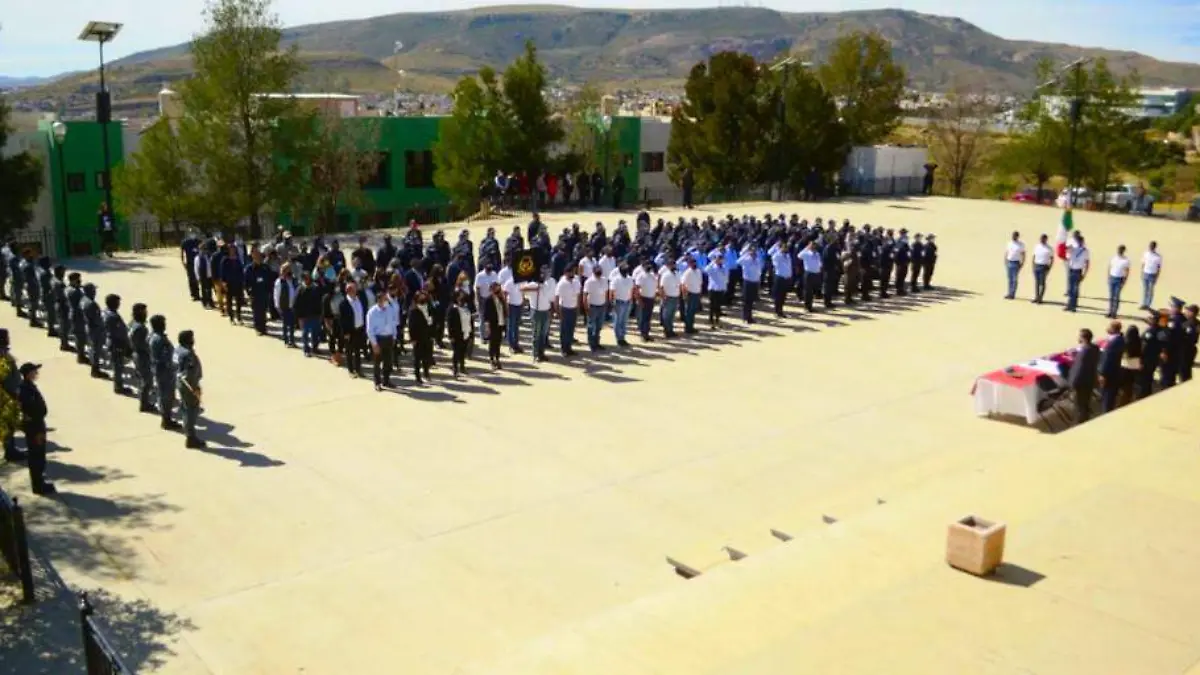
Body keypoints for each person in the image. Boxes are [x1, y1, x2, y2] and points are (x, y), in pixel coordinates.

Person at [17, 363, 54, 495]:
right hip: (35, 427)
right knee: (36, 456)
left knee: (39, 455)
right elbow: (30, 409)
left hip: (37, 425)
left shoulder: (28, 387)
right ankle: (38, 485)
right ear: (28, 374)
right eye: (34, 371)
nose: (36, 374)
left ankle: (39, 481)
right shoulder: (25, 390)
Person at [174, 330, 206, 449]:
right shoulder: (188, 354)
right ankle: (191, 437)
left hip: (181, 383)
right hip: (189, 386)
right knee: (191, 410)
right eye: (192, 338)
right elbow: (189, 374)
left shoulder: (178, 350)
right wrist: (195, 389)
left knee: (185, 408)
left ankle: (188, 432)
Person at [149, 315, 180, 430]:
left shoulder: (153, 336)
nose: (165, 324)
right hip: (164, 371)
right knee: (166, 396)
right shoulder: (159, 339)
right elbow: (165, 357)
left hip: (160, 370)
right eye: (163, 322)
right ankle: (166, 420)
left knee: (164, 395)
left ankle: (166, 417)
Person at [1066, 327, 1100, 423]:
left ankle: (1080, 422)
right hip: (1090, 380)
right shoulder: (1094, 348)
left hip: (1081, 382)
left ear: (1083, 338)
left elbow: (1078, 369)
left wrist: (1072, 383)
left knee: (1079, 404)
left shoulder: (1084, 352)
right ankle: (1085, 417)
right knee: (1086, 402)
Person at [366, 290, 397, 391]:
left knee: (388, 362)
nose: (386, 301)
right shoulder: (372, 312)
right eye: (384, 299)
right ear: (379, 300)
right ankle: (377, 382)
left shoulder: (390, 309)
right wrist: (374, 344)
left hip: (389, 338)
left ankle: (386, 380)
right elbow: (370, 330)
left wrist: (394, 336)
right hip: (378, 339)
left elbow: (393, 323)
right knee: (377, 363)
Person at [103, 293, 133, 396]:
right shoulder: (113, 316)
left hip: (111, 341)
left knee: (117, 366)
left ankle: (118, 385)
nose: (119, 304)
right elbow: (120, 333)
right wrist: (127, 345)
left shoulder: (106, 312)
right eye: (117, 302)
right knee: (118, 367)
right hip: (117, 344)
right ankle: (118, 387)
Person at [129, 303, 156, 413]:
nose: (146, 313)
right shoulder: (141, 328)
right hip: (142, 356)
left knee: (142, 378)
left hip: (136, 354)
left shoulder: (133, 323)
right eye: (144, 311)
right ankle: (144, 404)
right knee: (147, 381)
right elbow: (145, 345)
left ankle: (143, 400)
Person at [0, 329, 23, 463]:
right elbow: (5, 377)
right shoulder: (2, 356)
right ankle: (10, 451)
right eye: (6, 337)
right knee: (8, 423)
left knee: (9, 423)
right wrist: (12, 394)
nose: (8, 338)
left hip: (9, 393)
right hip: (7, 395)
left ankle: (11, 449)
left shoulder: (4, 353)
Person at [339, 282, 367, 378]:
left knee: (358, 351)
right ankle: (351, 370)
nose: (355, 290)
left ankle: (358, 369)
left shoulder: (359, 300)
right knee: (349, 351)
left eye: (355, 288)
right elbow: (342, 320)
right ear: (348, 291)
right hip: (350, 331)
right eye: (353, 289)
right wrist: (345, 332)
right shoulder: (343, 304)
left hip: (359, 329)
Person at [1139, 311, 1168, 399]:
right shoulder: (1161, 331)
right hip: (1154, 358)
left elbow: (1145, 347)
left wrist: (1140, 359)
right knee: (1149, 377)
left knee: (1144, 379)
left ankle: (1143, 395)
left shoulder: (1151, 331)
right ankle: (1147, 393)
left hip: (1147, 358)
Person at [1098, 321, 1126, 414]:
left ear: (1113, 329)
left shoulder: (1115, 342)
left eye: (1109, 327)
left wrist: (1102, 374)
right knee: (1108, 397)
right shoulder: (1117, 339)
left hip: (1110, 374)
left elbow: (1108, 360)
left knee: (1108, 398)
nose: (1107, 328)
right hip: (1113, 373)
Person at [408, 290, 435, 382]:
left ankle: (426, 373)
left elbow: (432, 322)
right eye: (420, 297)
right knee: (417, 358)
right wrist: (412, 339)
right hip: (418, 337)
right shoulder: (414, 310)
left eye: (424, 296)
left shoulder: (429, 307)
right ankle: (417, 375)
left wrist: (432, 334)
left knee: (427, 356)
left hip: (427, 335)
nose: (423, 298)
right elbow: (411, 326)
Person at [555, 266, 581, 356]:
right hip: (564, 308)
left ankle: (569, 348)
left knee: (571, 329)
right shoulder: (561, 284)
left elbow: (578, 295)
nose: (573, 274)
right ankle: (564, 349)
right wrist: (558, 311)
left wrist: (578, 308)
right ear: (566, 273)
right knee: (564, 330)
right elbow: (557, 297)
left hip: (573, 308)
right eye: (571, 272)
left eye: (573, 272)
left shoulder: (576, 282)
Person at [81, 283, 106, 379]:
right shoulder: (92, 304)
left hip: (88, 327)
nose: (95, 292)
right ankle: (95, 370)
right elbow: (97, 320)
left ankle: (94, 366)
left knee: (92, 348)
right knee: (96, 350)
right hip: (95, 329)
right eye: (94, 290)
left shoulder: (83, 300)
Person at [245, 250, 273, 335]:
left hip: (264, 292)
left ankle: (263, 328)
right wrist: (249, 293)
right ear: (253, 257)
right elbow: (246, 282)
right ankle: (258, 328)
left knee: (263, 310)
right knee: (257, 311)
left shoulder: (265, 267)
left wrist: (269, 290)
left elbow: (270, 279)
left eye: (259, 256)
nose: (258, 258)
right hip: (255, 293)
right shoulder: (249, 268)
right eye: (256, 256)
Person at [530, 272, 556, 361]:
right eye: (541, 275)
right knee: (536, 334)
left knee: (543, 334)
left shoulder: (546, 285)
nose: (543, 277)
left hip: (546, 311)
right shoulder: (533, 284)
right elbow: (522, 289)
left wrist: (552, 310)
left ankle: (541, 353)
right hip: (536, 311)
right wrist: (535, 289)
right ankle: (535, 353)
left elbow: (552, 298)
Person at [583, 266, 609, 350]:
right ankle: (591, 343)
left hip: (601, 305)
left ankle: (597, 343)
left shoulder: (604, 280)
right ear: (593, 272)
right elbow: (585, 295)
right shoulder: (589, 281)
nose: (599, 273)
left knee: (599, 326)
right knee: (591, 326)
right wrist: (586, 307)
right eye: (597, 272)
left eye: (600, 272)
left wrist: (606, 303)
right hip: (592, 306)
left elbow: (606, 292)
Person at [448, 291, 473, 377]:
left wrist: (471, 333)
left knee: (463, 351)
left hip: (466, 332)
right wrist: (451, 335)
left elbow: (470, 321)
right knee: (456, 352)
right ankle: (455, 368)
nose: (461, 302)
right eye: (460, 299)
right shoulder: (453, 309)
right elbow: (449, 324)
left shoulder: (467, 309)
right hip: (456, 334)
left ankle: (462, 367)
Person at [609, 264, 635, 346]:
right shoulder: (615, 279)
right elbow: (611, 292)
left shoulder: (630, 279)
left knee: (624, 321)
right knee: (618, 321)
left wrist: (631, 300)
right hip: (619, 302)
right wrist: (611, 302)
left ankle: (623, 337)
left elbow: (631, 290)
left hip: (627, 302)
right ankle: (619, 338)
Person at [482, 282, 506, 369]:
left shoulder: (501, 298)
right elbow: (486, 314)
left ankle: (497, 359)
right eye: (496, 288)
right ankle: (492, 360)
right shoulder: (488, 300)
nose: (498, 290)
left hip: (500, 323)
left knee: (498, 343)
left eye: (499, 288)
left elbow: (503, 311)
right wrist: (487, 326)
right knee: (492, 343)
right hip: (492, 324)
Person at [737, 244, 763, 324]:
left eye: (755, 251)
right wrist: (746, 252)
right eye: (752, 251)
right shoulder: (746, 259)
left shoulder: (758, 260)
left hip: (755, 282)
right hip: (748, 282)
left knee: (751, 301)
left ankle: (750, 317)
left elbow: (759, 270)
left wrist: (758, 280)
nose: (754, 252)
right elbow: (738, 261)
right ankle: (745, 317)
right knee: (746, 301)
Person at [275, 263, 299, 348]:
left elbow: (297, 290)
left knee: (292, 325)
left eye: (288, 269)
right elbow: (276, 294)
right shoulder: (279, 281)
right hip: (284, 306)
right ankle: (286, 340)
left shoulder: (293, 280)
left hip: (292, 306)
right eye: (285, 270)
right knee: (286, 324)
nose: (287, 272)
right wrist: (277, 306)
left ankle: (292, 340)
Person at [1064, 234, 1090, 313]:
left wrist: (1084, 274)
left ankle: (1073, 306)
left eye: (1080, 241)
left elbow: (1087, 263)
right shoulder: (1073, 249)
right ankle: (1069, 305)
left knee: (1075, 289)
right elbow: (1066, 252)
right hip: (1071, 270)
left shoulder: (1085, 251)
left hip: (1078, 271)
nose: (1079, 242)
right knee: (1070, 289)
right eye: (1078, 241)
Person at [1104, 245, 1131, 319]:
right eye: (1119, 250)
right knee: (1111, 296)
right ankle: (1110, 311)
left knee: (1116, 297)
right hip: (1112, 277)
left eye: (1121, 250)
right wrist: (1108, 277)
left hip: (1119, 279)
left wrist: (1124, 281)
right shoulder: (1114, 258)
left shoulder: (1126, 260)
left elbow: (1127, 271)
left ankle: (1114, 312)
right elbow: (1110, 267)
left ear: (1123, 251)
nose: (1119, 251)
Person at [768, 240, 793, 317]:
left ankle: (781, 310)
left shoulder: (788, 256)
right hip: (779, 277)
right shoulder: (777, 256)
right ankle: (777, 311)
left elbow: (789, 266)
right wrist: (777, 247)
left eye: (786, 248)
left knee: (783, 296)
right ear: (780, 248)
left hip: (786, 278)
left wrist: (790, 275)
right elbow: (773, 261)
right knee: (778, 296)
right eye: (784, 247)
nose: (786, 249)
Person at [633, 260, 657, 341]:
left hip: (651, 298)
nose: (648, 266)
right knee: (643, 318)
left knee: (648, 318)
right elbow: (636, 288)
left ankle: (646, 334)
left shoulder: (652, 275)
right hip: (644, 298)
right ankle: (643, 335)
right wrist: (639, 300)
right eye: (647, 265)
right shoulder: (641, 276)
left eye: (649, 265)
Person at [1119, 325, 1142, 407]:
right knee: (1130, 384)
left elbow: (1125, 355)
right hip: (1135, 364)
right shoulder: (1138, 341)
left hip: (1126, 365)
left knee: (1125, 385)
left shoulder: (1127, 343)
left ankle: (1124, 402)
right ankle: (1129, 397)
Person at [658, 259, 681, 339]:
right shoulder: (665, 275)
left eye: (674, 264)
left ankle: (670, 330)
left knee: (672, 315)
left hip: (675, 296)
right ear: (668, 266)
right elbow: (661, 287)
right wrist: (663, 297)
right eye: (671, 264)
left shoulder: (677, 274)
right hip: (668, 297)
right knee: (666, 315)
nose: (673, 266)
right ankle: (666, 331)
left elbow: (679, 285)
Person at [67, 273, 88, 362]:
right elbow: (82, 303)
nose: (80, 281)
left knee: (78, 336)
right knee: (80, 337)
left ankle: (81, 353)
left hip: (73, 314)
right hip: (78, 316)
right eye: (78, 280)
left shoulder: (69, 289)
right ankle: (81, 356)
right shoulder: (76, 292)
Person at [799, 238, 823, 312]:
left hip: (816, 274)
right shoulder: (806, 253)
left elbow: (820, 263)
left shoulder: (817, 254)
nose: (813, 247)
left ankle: (810, 306)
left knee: (812, 291)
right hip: (809, 274)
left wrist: (819, 269)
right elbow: (799, 256)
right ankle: (806, 307)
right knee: (808, 291)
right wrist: (806, 248)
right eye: (812, 245)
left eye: (814, 245)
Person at [704, 253, 728, 328]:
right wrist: (713, 262)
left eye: (721, 259)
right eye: (718, 259)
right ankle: (710, 319)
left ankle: (717, 319)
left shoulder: (724, 267)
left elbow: (726, 279)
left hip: (720, 288)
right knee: (712, 305)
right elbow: (706, 270)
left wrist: (725, 287)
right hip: (713, 288)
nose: (719, 260)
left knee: (718, 305)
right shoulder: (712, 267)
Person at [1030, 234, 1053, 304]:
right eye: (1041, 238)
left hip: (1044, 266)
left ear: (1046, 239)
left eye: (1043, 239)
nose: (1042, 240)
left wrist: (1049, 267)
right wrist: (1033, 265)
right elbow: (1034, 256)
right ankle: (1036, 297)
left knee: (1042, 283)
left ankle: (1040, 298)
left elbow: (1052, 258)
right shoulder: (1037, 246)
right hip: (1037, 265)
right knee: (1037, 282)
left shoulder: (1049, 248)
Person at [1179, 303, 1198, 382]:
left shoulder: (1190, 324)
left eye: (1188, 311)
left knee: (1184, 371)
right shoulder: (1195, 322)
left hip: (1186, 350)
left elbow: (1189, 338)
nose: (1185, 312)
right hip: (1189, 349)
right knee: (1186, 370)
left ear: (1192, 313)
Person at [1139, 241, 1162, 310]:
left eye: (1152, 246)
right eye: (1150, 246)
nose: (1151, 247)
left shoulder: (1158, 257)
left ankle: (1148, 305)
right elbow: (1143, 264)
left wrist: (1157, 277)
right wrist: (1142, 273)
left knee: (1151, 290)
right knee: (1145, 290)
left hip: (1153, 274)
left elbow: (1158, 267)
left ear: (1155, 247)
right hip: (1146, 273)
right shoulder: (1146, 254)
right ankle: (1144, 304)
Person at [1004, 231, 1025, 300]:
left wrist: (1022, 263)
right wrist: (1005, 261)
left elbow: (1023, 254)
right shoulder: (1009, 243)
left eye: (1015, 236)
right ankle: (1009, 293)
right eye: (1013, 235)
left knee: (1015, 279)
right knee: (1010, 279)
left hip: (1016, 263)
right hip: (1009, 262)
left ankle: (1012, 294)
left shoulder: (1021, 244)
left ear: (1017, 236)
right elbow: (1007, 252)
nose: (1013, 237)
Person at [51, 265, 68, 347]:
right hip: (62, 305)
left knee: (62, 325)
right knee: (64, 326)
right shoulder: (60, 283)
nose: (64, 273)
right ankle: (64, 344)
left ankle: (64, 342)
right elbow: (64, 296)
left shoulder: (54, 280)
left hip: (57, 303)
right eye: (63, 271)